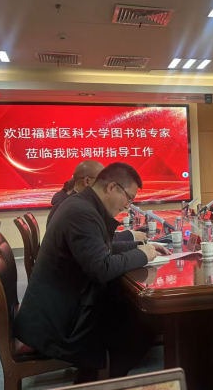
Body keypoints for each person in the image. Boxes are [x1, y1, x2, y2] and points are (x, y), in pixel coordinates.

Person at [14, 163, 171, 384]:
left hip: (63, 306)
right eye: (129, 198)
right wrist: (142, 255)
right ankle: (100, 382)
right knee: (143, 323)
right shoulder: (82, 212)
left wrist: (140, 248)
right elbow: (101, 268)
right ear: (112, 188)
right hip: (59, 323)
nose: (128, 206)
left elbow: (101, 249)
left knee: (128, 309)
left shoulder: (83, 205)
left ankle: (95, 376)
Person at [47, 160, 145, 243]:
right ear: (87, 181)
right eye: (100, 178)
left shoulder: (83, 203)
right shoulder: (79, 208)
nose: (104, 183)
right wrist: (140, 250)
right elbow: (97, 248)